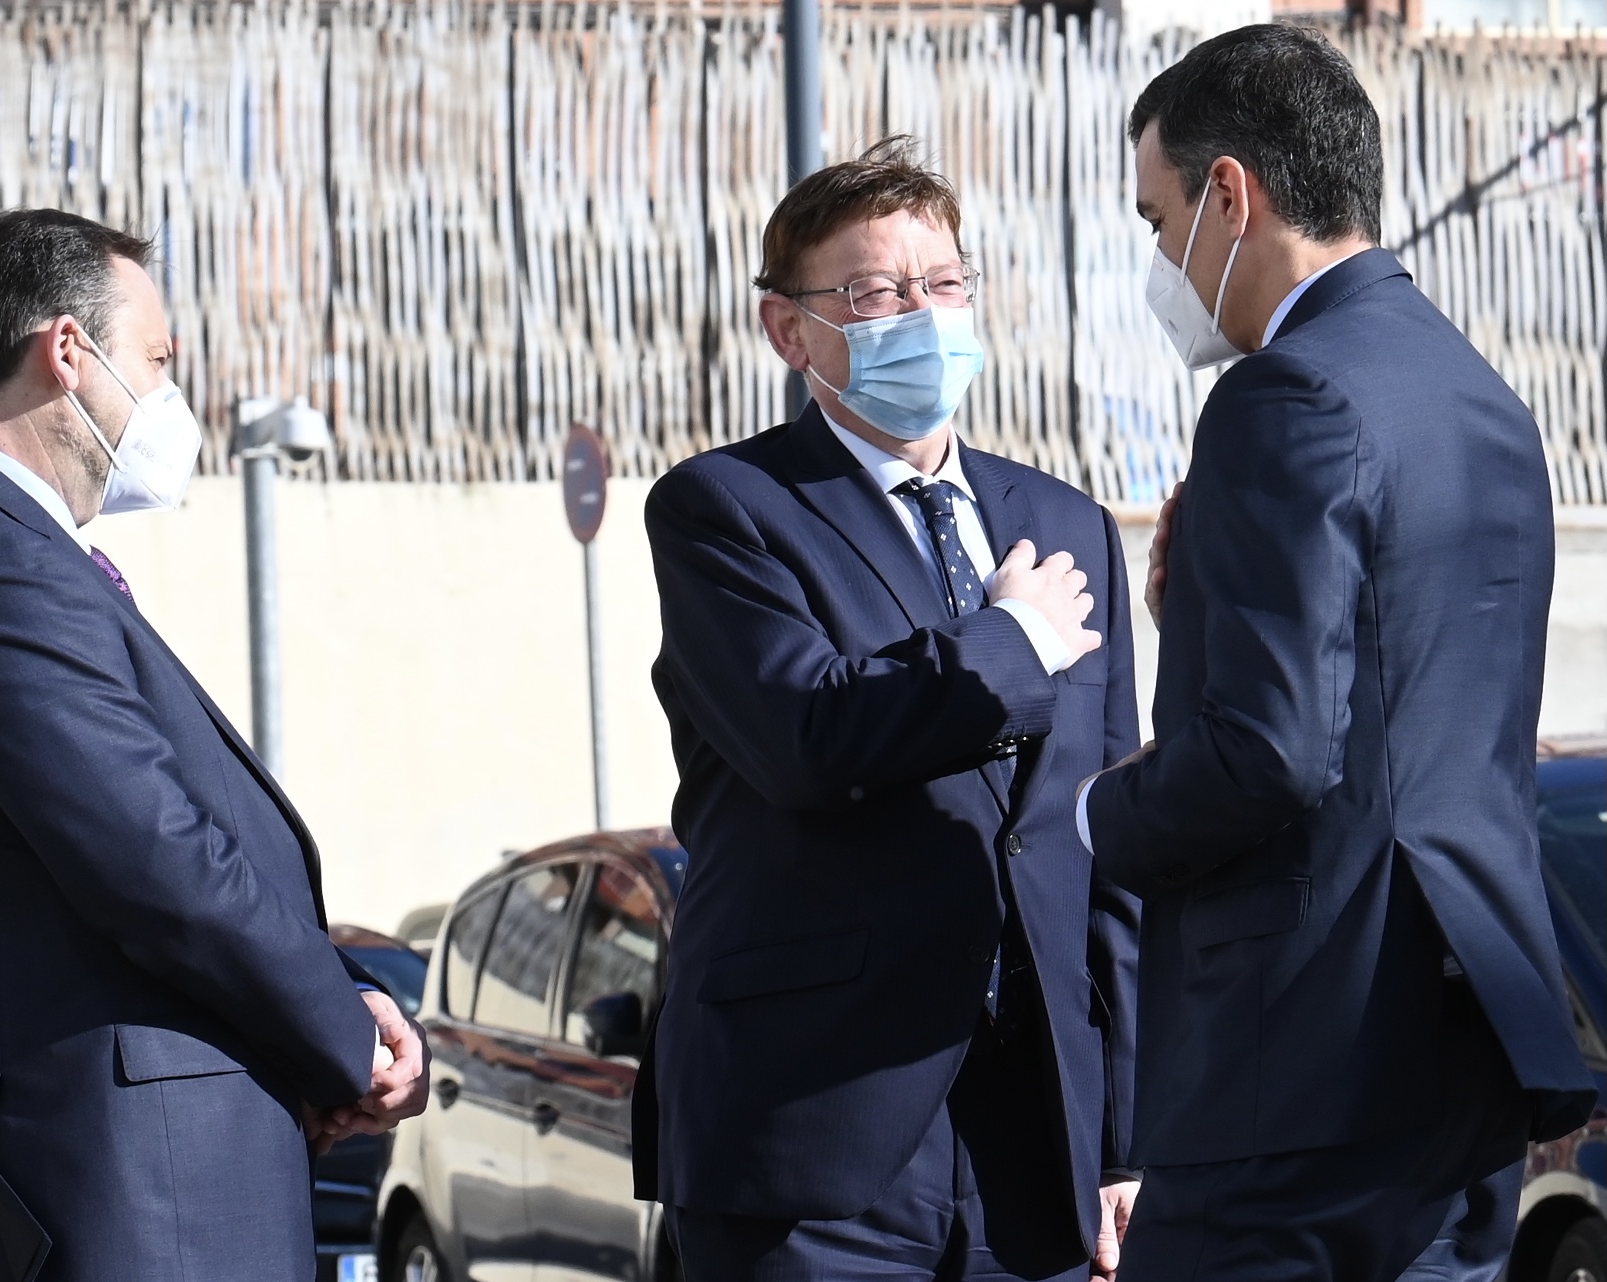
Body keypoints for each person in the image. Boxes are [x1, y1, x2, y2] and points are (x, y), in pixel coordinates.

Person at [1081, 25, 1598, 1282]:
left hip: (1293, 1073)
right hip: (1459, 1051)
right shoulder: (1475, 393)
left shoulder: (1281, 394)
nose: (1158, 261)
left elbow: (1268, 752)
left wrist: (1098, 811)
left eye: (1155, 221)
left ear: (1228, 195)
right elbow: (1393, 694)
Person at [0, 208, 429, 1282]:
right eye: (154, 359)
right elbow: (156, 860)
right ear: (68, 353)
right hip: (123, 1194)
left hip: (135, 1183)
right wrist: (342, 1034)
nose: (167, 397)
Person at [636, 137, 1142, 1282]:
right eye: (873, 291)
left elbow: (1107, 840)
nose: (921, 314)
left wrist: (1128, 1126)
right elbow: (805, 736)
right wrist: (1005, 645)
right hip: (814, 1131)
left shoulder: (1065, 525)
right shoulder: (728, 510)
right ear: (789, 330)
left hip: (1036, 1129)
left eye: (943, 283)